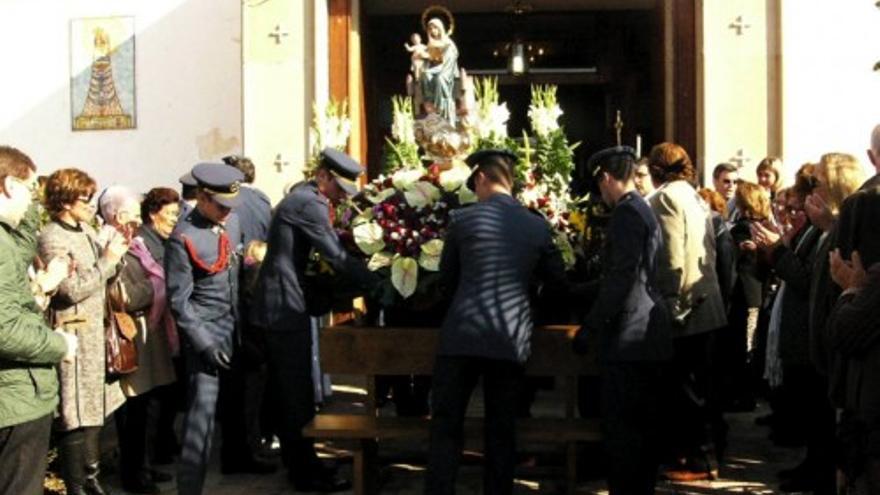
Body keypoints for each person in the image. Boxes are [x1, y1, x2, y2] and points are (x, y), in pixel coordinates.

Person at [423, 148, 568, 495]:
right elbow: (558, 282)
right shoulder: (535, 224)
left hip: (461, 334)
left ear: (483, 178)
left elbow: (447, 279)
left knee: (446, 425)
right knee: (501, 428)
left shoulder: (463, 220)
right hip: (509, 334)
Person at [251, 148, 377, 492]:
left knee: (287, 392)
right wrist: (377, 281)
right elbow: (334, 255)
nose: (340, 196)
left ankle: (299, 463)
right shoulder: (310, 203)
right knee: (296, 393)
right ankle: (306, 473)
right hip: (283, 309)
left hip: (279, 305)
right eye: (338, 188)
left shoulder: (304, 197)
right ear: (323, 176)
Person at [571, 146, 673, 494]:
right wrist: (577, 290)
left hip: (631, 337)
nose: (601, 193)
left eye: (599, 185)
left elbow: (622, 278)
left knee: (625, 433)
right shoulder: (642, 209)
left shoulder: (627, 214)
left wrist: (591, 326)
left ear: (606, 178)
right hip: (645, 332)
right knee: (639, 431)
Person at [39, 168, 129, 495]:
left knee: (93, 411)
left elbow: (100, 278)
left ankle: (92, 479)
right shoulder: (53, 236)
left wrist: (116, 257)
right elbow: (68, 290)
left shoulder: (85, 231)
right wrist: (106, 261)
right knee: (74, 413)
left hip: (95, 334)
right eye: (85, 198)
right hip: (74, 336)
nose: (91, 205)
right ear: (65, 200)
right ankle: (78, 485)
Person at [647, 142, 727, 481]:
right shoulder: (692, 194)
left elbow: (672, 259)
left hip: (687, 309)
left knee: (686, 390)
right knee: (698, 387)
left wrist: (670, 308)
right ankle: (697, 453)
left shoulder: (665, 198)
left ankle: (699, 460)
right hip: (707, 304)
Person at [0, 146, 77, 495]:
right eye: (30, 191)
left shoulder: (7, 238)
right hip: (15, 400)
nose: (35, 202)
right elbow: (5, 330)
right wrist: (60, 344)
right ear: (8, 186)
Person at [165, 163, 245, 495]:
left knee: (238, 407)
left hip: (234, 328)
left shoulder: (232, 221)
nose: (228, 213)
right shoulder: (182, 237)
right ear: (201, 197)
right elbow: (179, 302)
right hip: (206, 336)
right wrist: (203, 344)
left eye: (231, 207)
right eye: (221, 207)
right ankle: (189, 489)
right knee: (200, 420)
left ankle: (240, 461)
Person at [99, 186, 177, 494]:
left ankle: (144, 466)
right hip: (131, 335)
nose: (137, 221)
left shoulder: (135, 245)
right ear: (118, 217)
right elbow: (121, 295)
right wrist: (156, 288)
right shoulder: (109, 244)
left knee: (147, 408)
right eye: (133, 215)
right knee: (133, 412)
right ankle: (133, 474)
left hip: (148, 334)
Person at [138, 187, 184, 466]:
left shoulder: (165, 241)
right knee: (154, 399)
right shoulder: (144, 243)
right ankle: (153, 454)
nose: (174, 221)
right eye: (170, 215)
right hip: (152, 332)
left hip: (168, 329)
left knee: (169, 394)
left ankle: (164, 446)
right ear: (154, 214)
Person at [419, 17, 460, 126]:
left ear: (440, 28)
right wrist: (426, 56)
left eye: (435, 28)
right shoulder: (430, 43)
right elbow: (430, 58)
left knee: (440, 79)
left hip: (446, 69)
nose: (433, 31)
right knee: (425, 74)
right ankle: (430, 103)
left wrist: (438, 54)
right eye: (430, 29)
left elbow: (451, 56)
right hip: (435, 68)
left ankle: (441, 107)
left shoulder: (447, 41)